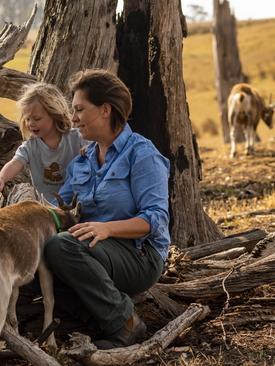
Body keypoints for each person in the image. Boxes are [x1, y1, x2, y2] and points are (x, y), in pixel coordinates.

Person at [41, 69, 171, 349]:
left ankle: (125, 323)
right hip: (94, 250)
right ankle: (97, 321)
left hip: (139, 254)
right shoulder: (82, 162)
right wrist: (7, 214)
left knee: (61, 246)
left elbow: (156, 220)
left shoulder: (142, 154)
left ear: (105, 110)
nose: (73, 119)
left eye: (79, 109)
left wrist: (107, 228)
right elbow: (59, 210)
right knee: (34, 256)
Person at [0, 82, 86, 202]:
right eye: (27, 119)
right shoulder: (30, 147)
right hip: (46, 207)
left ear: (55, 115)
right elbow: (14, 163)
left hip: (77, 201)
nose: (30, 123)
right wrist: (1, 179)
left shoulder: (76, 138)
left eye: (37, 118)